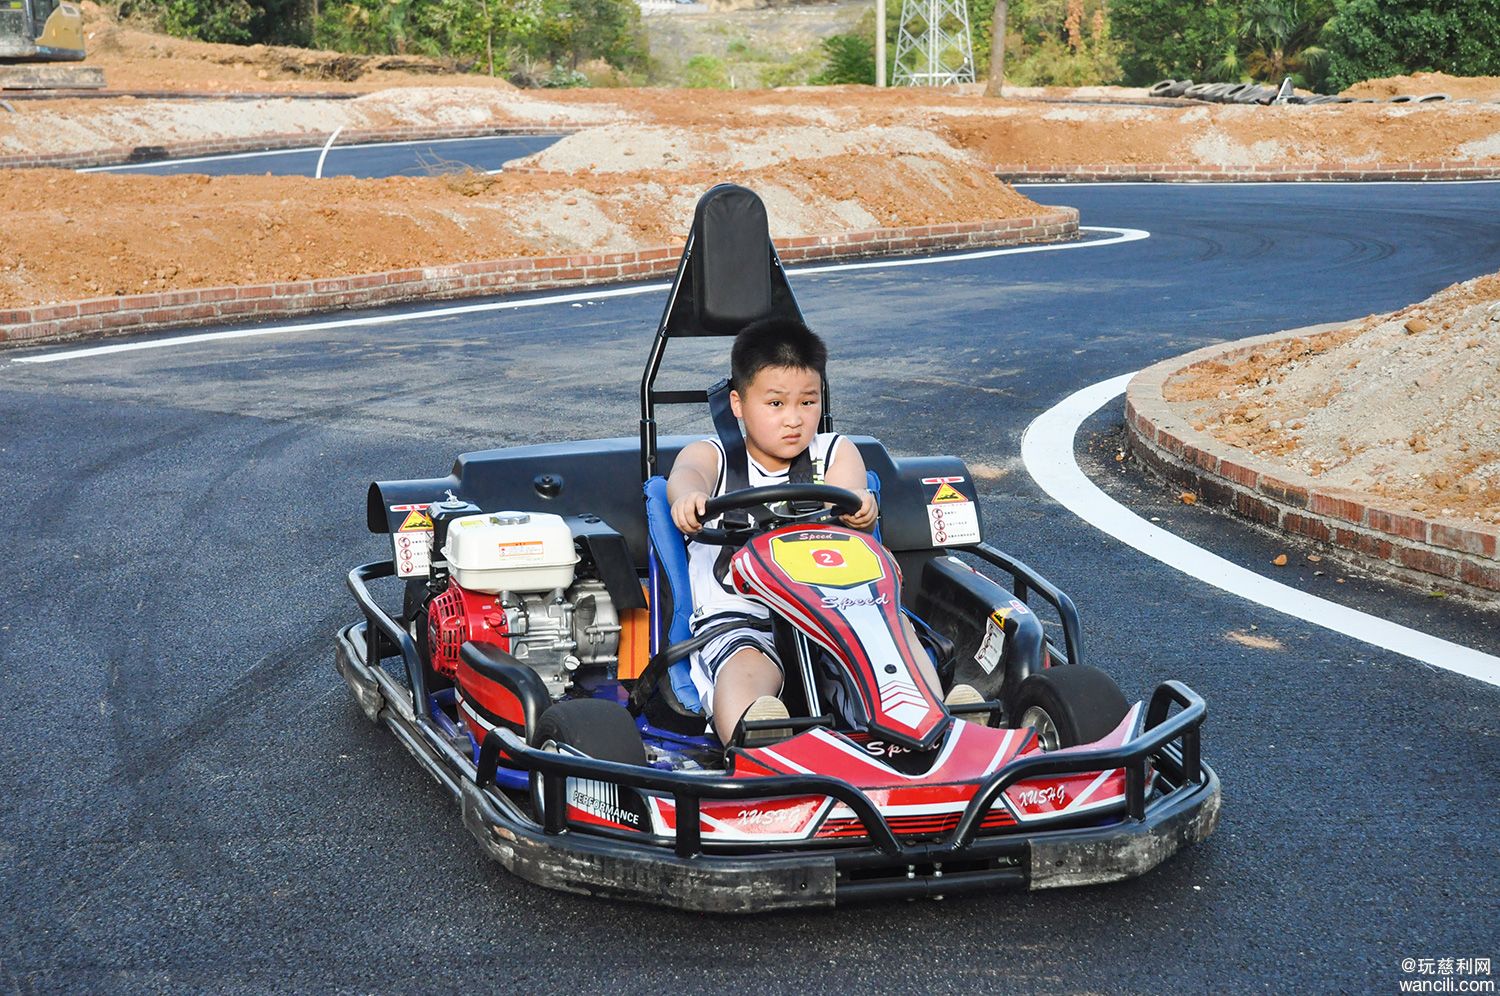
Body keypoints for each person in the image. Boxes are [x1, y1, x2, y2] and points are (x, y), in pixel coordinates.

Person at [668, 318, 973, 746]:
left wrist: (859, 506)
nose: (794, 420)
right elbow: (685, 475)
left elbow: (851, 492)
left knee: (896, 636)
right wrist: (688, 498)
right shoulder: (712, 457)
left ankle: (937, 722)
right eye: (776, 404)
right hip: (743, 620)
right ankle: (754, 733)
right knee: (743, 667)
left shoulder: (833, 452)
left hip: (839, 611)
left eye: (807, 403)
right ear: (738, 403)